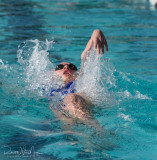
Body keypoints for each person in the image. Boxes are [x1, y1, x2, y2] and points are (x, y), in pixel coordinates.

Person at [50, 29, 108, 122]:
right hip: (61, 113)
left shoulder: (79, 81)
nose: (66, 67)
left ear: (77, 74)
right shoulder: (46, 84)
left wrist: (96, 32)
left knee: (71, 97)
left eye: (71, 67)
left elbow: (86, 55)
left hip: (81, 104)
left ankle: (96, 130)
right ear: (53, 73)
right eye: (60, 67)